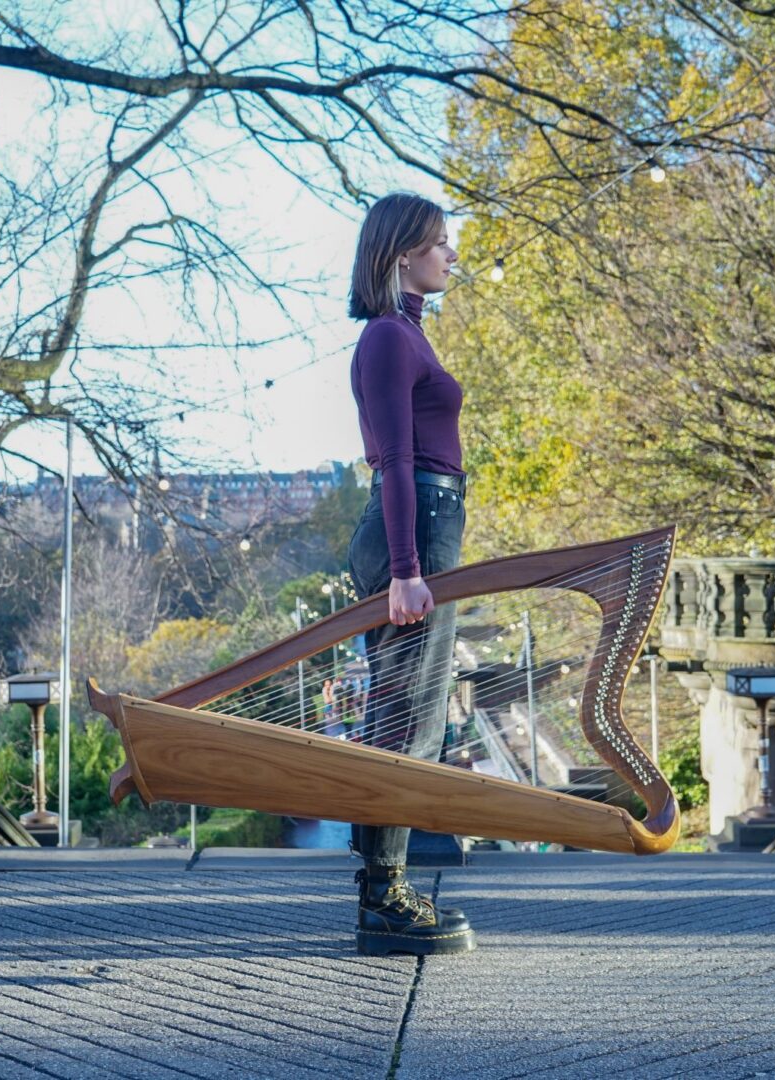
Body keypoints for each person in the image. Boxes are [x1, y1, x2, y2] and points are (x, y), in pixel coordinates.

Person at [344, 192, 475, 957]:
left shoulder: (407, 335)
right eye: (440, 243)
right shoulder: (389, 338)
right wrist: (403, 570)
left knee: (413, 714)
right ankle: (382, 896)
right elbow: (395, 459)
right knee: (403, 717)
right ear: (402, 254)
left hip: (428, 522)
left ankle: (384, 887)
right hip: (413, 527)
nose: (451, 254)